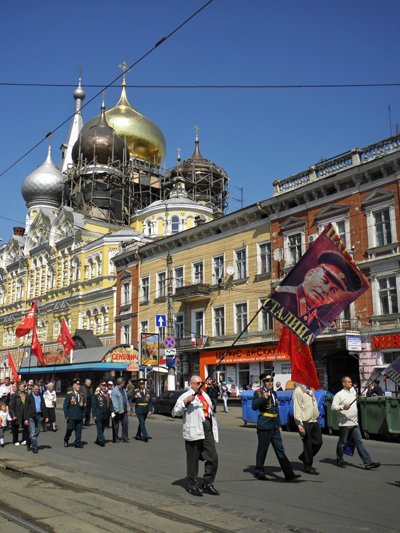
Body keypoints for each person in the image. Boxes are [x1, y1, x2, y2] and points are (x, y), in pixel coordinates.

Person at [274, 250, 363, 334]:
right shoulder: (281, 298)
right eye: (324, 280)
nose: (324, 290)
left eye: (333, 290)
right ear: (310, 274)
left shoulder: (317, 324)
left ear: (333, 299)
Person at [172, 375, 219, 497]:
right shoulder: (185, 395)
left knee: (213, 457)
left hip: (207, 429)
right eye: (197, 383)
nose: (200, 385)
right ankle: (192, 485)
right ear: (191, 384)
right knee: (193, 460)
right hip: (194, 430)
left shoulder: (205, 395)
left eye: (201, 383)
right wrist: (185, 402)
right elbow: (175, 412)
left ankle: (208, 483)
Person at [252, 372, 300, 481]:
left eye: (272, 381)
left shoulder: (274, 393)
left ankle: (289, 474)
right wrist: (263, 398)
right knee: (262, 449)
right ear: (264, 382)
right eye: (268, 382)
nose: (271, 383)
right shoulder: (259, 393)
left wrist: (279, 425)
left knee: (280, 449)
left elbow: (275, 410)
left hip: (274, 426)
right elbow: (254, 406)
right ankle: (259, 471)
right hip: (264, 425)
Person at [331, 376, 380, 469]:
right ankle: (339, 459)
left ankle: (368, 463)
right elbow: (333, 407)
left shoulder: (352, 393)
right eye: (348, 382)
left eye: (351, 381)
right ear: (343, 383)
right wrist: (342, 407)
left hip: (354, 423)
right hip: (345, 424)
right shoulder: (339, 395)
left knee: (359, 443)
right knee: (342, 443)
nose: (351, 383)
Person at [293, 383, 323, 475]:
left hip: (314, 421)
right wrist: (299, 425)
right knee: (308, 444)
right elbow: (297, 408)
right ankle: (308, 466)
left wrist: (317, 414)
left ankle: (304, 456)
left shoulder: (310, 390)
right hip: (305, 422)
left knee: (318, 442)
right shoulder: (298, 391)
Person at [23, 384, 48, 454]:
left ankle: (28, 442)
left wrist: (46, 416)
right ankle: (35, 447)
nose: (37, 390)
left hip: (39, 416)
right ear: (33, 389)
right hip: (31, 416)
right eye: (36, 389)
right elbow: (26, 408)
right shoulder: (29, 397)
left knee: (37, 432)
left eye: (38, 389)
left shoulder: (41, 396)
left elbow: (44, 406)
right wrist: (25, 419)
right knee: (33, 433)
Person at [63, 378, 86, 448]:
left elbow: (84, 405)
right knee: (70, 429)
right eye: (77, 385)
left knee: (79, 430)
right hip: (71, 415)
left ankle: (77, 443)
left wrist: (84, 415)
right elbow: (65, 406)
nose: (79, 386)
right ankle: (66, 439)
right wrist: (66, 415)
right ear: (73, 385)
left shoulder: (81, 394)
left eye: (79, 385)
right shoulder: (69, 394)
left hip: (79, 415)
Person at [9, 381, 30, 446]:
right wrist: (13, 415)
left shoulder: (26, 395)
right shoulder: (14, 395)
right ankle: (15, 440)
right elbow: (11, 406)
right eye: (22, 387)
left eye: (24, 386)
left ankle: (24, 439)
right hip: (17, 414)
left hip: (25, 413)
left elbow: (27, 405)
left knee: (26, 427)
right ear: (18, 387)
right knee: (15, 428)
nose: (23, 388)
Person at [92, 380, 112, 447]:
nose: (104, 387)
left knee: (103, 428)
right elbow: (94, 405)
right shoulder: (96, 395)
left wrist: (112, 411)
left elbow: (109, 403)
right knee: (99, 428)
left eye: (105, 385)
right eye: (102, 385)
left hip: (105, 414)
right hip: (98, 414)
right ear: (99, 386)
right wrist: (94, 415)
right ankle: (102, 441)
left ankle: (98, 440)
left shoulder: (107, 394)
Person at [110, 377, 129, 443]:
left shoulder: (123, 390)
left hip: (124, 409)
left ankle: (125, 437)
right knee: (116, 425)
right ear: (121, 383)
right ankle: (115, 438)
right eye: (124, 382)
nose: (124, 384)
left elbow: (125, 399)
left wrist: (128, 407)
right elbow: (114, 401)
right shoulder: (115, 391)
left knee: (125, 424)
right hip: (117, 410)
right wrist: (116, 410)